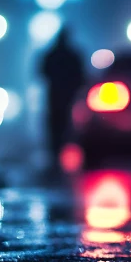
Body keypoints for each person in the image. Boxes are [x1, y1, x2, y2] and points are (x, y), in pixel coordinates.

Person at [41, 27, 85, 169]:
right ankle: (60, 153)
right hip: (65, 95)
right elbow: (81, 75)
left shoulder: (52, 54)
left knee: (57, 125)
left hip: (56, 95)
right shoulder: (71, 55)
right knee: (65, 124)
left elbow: (42, 72)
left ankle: (57, 153)